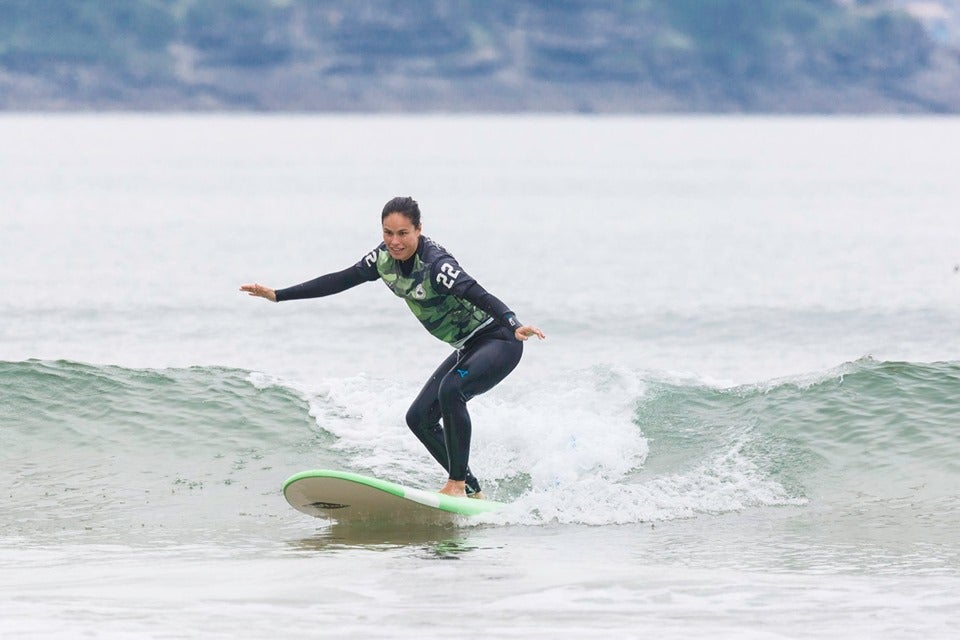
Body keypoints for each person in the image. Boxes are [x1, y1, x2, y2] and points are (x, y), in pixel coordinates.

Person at [241, 196, 545, 498]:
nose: (395, 241)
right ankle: (473, 491)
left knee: (452, 390)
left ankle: (456, 484)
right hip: (469, 346)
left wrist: (512, 322)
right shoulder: (383, 259)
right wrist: (278, 295)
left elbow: (476, 292)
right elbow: (340, 280)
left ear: (418, 230)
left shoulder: (437, 265)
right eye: (388, 233)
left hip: (500, 339)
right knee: (419, 419)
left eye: (403, 233)